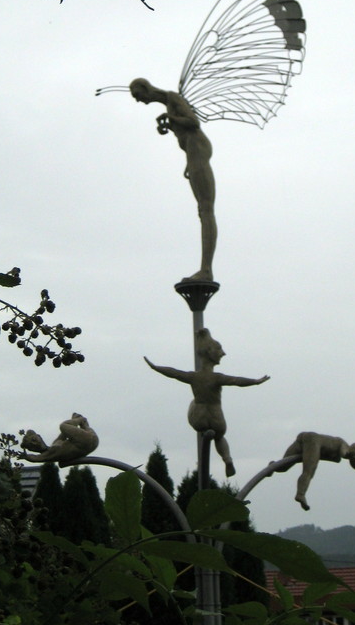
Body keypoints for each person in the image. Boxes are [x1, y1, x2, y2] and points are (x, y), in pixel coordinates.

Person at [144, 328, 270, 477]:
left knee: (193, 403)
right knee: (219, 437)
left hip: (199, 418)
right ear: (211, 353)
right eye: (220, 350)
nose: (223, 354)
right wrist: (255, 381)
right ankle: (227, 459)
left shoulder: (193, 377)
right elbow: (237, 381)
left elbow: (174, 373)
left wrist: (155, 367)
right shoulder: (217, 378)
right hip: (217, 418)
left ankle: (204, 433)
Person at [129, 78, 216, 281]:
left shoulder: (172, 98)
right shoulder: (169, 103)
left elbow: (194, 123)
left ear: (146, 88)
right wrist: (170, 122)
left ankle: (206, 270)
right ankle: (205, 269)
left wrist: (171, 118)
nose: (138, 100)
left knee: (206, 210)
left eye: (137, 95)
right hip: (194, 155)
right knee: (203, 211)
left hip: (199, 151)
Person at [276, 432, 355, 511]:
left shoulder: (338, 447)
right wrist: (347, 454)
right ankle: (300, 494)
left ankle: (271, 467)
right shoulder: (344, 445)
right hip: (313, 441)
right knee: (309, 472)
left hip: (305, 437)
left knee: (282, 467)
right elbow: (343, 452)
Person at [20, 413, 98, 465]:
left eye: (34, 439)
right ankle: (80, 420)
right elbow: (36, 458)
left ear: (39, 436)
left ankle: (82, 422)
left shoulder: (56, 444)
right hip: (88, 443)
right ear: (32, 450)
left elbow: (65, 432)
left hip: (90, 438)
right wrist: (26, 456)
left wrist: (72, 421)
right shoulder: (49, 454)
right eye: (31, 445)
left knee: (64, 427)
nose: (35, 443)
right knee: (63, 426)